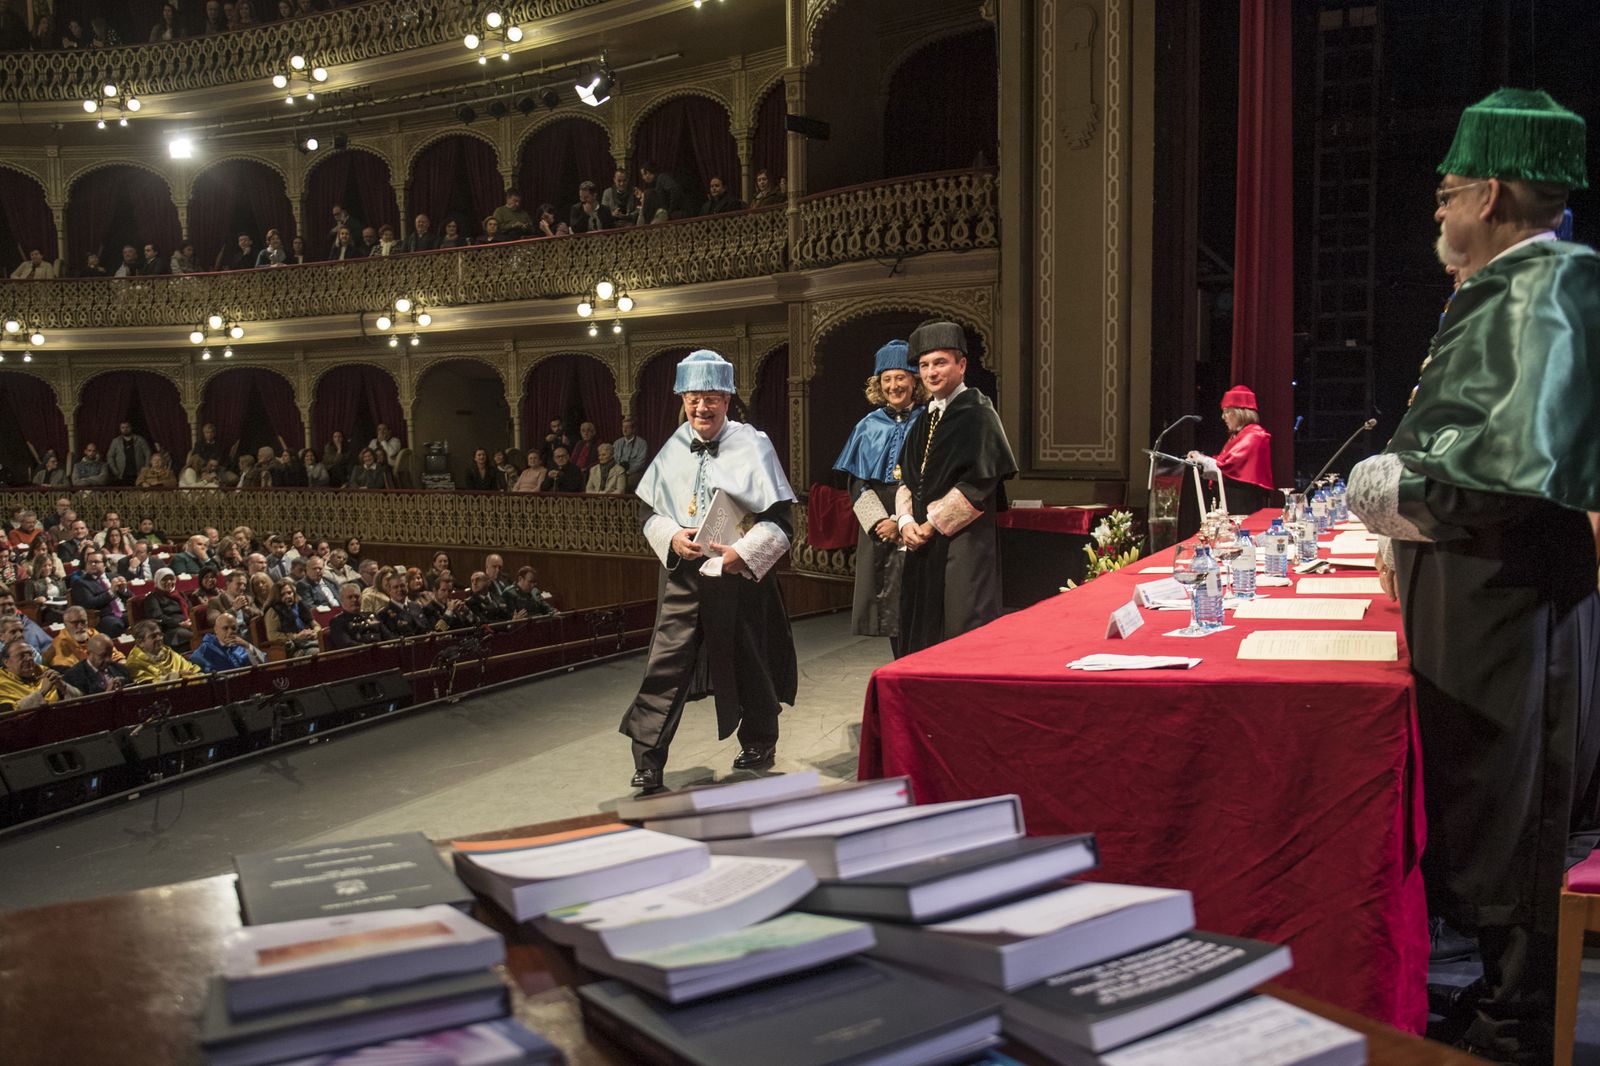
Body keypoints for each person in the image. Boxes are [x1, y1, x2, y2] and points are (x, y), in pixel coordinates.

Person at [1347, 88, 1600, 1064]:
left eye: (1449, 194)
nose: (1441, 213)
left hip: (1512, 605)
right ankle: (1494, 997)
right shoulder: (1511, 286)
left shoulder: (1546, 287)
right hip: (1481, 598)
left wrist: (1386, 491)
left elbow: (1489, 475)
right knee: (1486, 799)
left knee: (1513, 807)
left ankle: (1515, 1023)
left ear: (1490, 193)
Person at [621, 349, 798, 791]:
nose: (701, 407)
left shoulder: (752, 443)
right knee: (665, 665)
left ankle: (759, 739)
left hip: (737, 575)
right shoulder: (674, 445)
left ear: (728, 399)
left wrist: (744, 554)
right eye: (693, 398)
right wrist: (669, 535)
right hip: (683, 574)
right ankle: (648, 758)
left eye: (712, 398)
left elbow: (781, 521)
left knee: (748, 657)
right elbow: (647, 511)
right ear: (682, 398)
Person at [893, 321, 1017, 657]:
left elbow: (980, 483)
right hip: (921, 545)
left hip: (962, 544)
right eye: (923, 365)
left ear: (962, 365)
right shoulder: (924, 419)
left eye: (940, 362)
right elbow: (906, 478)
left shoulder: (977, 412)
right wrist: (905, 523)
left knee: (960, 632)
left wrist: (930, 525)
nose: (931, 372)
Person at [833, 340, 926, 656]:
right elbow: (857, 483)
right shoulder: (867, 425)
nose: (894, 385)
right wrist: (879, 522)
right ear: (878, 384)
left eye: (901, 377)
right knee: (889, 608)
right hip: (879, 525)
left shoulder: (930, 421)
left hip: (918, 519)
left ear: (914, 380)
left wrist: (904, 521)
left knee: (919, 599)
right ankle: (900, 665)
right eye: (887, 379)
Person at [1186, 385, 1275, 515]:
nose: (1223, 417)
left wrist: (1202, 460)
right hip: (1232, 504)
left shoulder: (1254, 435)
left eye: (1227, 411)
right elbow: (1223, 465)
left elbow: (1229, 467)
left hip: (1245, 505)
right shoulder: (1237, 436)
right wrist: (1200, 460)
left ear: (1241, 412)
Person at [0, 638, 80, 712]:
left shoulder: (42, 670)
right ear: (6, 662)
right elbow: (10, 713)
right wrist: (42, 691)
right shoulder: (2, 682)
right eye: (22, 656)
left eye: (30, 654)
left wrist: (63, 687)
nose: (29, 659)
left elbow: (80, 699)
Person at [69, 551, 130, 637]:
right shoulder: (81, 583)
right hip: (104, 616)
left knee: (141, 618)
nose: (92, 564)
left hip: (124, 612)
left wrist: (124, 590)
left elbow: (131, 597)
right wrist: (111, 592)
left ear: (104, 565)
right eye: (90, 562)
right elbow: (90, 603)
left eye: (96, 562)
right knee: (114, 625)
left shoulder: (114, 576)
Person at [125, 619, 204, 684]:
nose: (159, 638)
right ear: (140, 642)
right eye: (153, 636)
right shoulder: (134, 663)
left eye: (160, 634)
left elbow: (191, 670)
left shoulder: (168, 652)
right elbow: (149, 686)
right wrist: (177, 676)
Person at [190, 613, 267, 673]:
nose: (230, 632)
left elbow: (263, 664)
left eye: (233, 628)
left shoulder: (241, 646)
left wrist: (247, 646)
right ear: (216, 630)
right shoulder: (206, 648)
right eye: (225, 628)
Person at [61, 633, 131, 694]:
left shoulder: (120, 669)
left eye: (110, 655)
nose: (108, 660)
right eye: (103, 655)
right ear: (89, 653)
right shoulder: (74, 676)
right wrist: (108, 694)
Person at [265, 579, 320, 657]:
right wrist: (297, 637)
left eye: (289, 593)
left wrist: (315, 632)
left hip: (310, 640)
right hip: (294, 647)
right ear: (277, 597)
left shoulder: (299, 605)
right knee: (318, 652)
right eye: (282, 594)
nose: (288, 596)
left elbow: (315, 624)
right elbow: (272, 636)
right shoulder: (273, 611)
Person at [141, 568, 193, 650]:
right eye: (164, 579)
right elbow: (158, 617)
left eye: (171, 579)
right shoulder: (152, 598)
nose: (169, 582)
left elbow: (191, 610)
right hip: (170, 629)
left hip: (188, 624)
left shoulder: (180, 594)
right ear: (158, 581)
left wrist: (190, 621)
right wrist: (180, 623)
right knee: (194, 636)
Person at [107, 421, 152, 486]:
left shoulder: (140, 440)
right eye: (123, 427)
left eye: (127, 427)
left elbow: (148, 453)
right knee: (124, 494)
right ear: (120, 429)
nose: (125, 429)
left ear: (131, 428)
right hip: (122, 473)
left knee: (138, 494)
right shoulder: (116, 441)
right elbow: (110, 456)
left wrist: (146, 468)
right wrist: (115, 470)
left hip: (138, 473)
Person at [613, 416, 648, 491]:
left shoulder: (641, 443)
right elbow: (614, 459)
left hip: (633, 473)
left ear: (634, 429)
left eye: (627, 427)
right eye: (623, 427)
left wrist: (628, 472)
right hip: (618, 472)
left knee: (629, 483)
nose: (624, 430)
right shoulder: (617, 443)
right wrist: (619, 472)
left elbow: (640, 462)